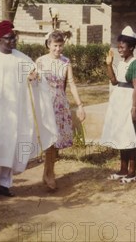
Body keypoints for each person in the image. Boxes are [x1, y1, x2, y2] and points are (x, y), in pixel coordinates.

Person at [0, 20, 55, 198]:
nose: (13, 41)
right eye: (9, 38)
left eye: (14, 38)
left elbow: (35, 77)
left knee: (11, 146)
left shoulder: (22, 58)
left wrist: (33, 78)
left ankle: (5, 184)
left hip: (16, 112)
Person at [36, 30, 86, 190]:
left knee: (55, 142)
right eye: (55, 46)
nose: (58, 49)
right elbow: (33, 83)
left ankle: (48, 172)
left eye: (60, 46)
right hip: (45, 104)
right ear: (48, 45)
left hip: (60, 104)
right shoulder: (40, 61)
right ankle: (49, 173)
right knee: (48, 140)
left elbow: (71, 84)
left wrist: (80, 105)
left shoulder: (66, 62)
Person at [100, 26, 136, 183]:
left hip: (129, 102)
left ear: (131, 47)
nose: (119, 50)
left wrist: (134, 108)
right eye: (118, 47)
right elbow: (114, 81)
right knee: (122, 135)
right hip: (119, 101)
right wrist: (109, 65)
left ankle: (132, 172)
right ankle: (123, 169)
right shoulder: (122, 63)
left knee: (131, 136)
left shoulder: (135, 64)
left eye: (122, 47)